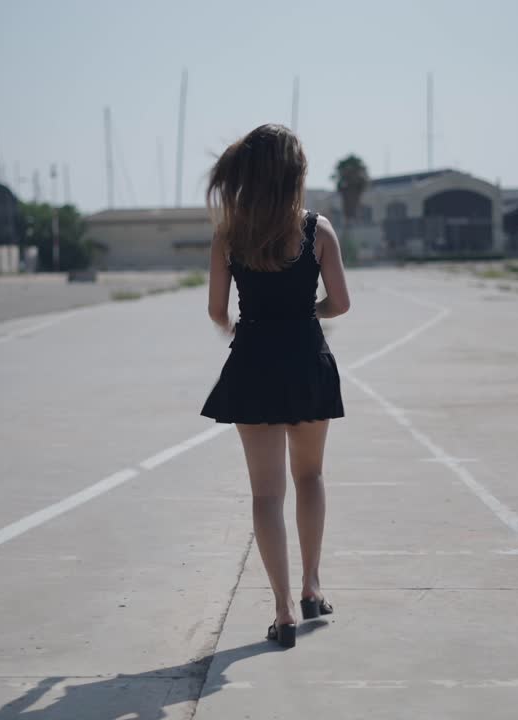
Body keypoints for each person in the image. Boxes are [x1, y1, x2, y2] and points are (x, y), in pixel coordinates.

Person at [200, 124, 350, 649]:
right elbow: (341, 303)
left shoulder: (229, 236)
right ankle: (312, 588)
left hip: (254, 360)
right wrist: (307, 311)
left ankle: (283, 611)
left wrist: (245, 326)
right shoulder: (317, 229)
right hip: (306, 357)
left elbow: (218, 311)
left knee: (266, 493)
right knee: (309, 475)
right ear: (295, 175)